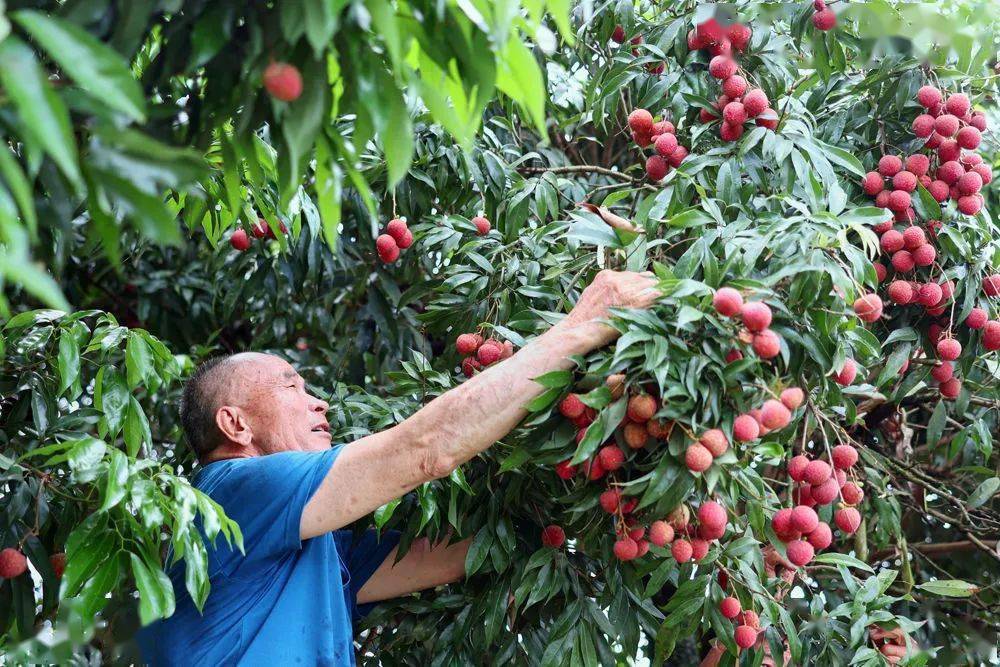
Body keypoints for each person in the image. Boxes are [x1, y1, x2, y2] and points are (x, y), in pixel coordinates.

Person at [137, 269, 659, 666]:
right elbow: (426, 449)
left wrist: (606, 484)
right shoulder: (229, 494)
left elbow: (453, 557)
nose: (318, 403)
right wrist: (582, 328)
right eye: (290, 387)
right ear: (235, 425)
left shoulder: (307, 549)